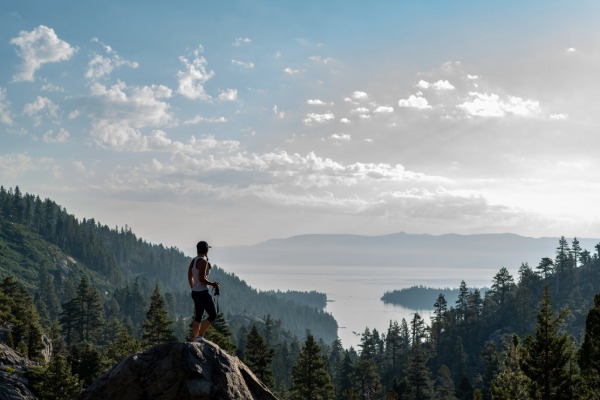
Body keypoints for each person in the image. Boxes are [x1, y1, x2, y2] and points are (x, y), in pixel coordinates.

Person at [188, 240, 220, 342]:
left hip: (195, 292)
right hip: (202, 292)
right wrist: (213, 284)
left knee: (198, 316)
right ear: (206, 250)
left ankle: (195, 338)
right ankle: (200, 336)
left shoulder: (194, 260)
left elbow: (190, 275)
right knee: (213, 314)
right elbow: (202, 279)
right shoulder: (203, 262)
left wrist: (193, 287)